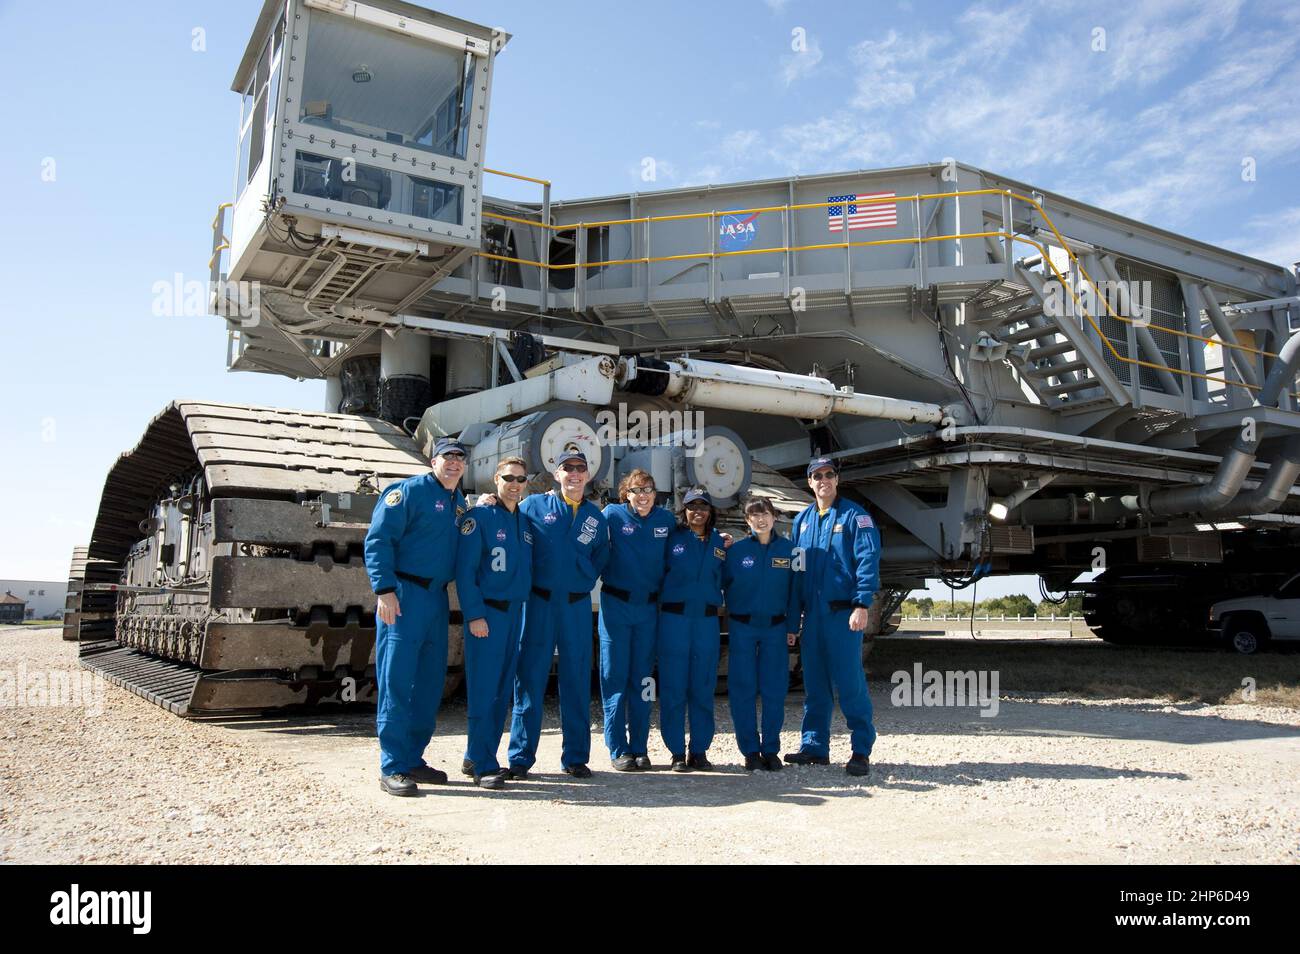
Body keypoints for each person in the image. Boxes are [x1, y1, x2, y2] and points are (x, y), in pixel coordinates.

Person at [364, 437, 469, 797]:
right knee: (397, 680)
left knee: (428, 683)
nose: (453, 463)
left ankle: (412, 758)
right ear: (432, 460)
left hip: (436, 599)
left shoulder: (460, 503)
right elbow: (378, 540)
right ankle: (392, 765)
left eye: (459, 458)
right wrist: (384, 590)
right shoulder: (405, 492)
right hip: (403, 596)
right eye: (447, 457)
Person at [508, 451, 610, 778]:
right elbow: (508, 526)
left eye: (581, 469)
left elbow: (600, 558)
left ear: (588, 475)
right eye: (569, 468)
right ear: (557, 473)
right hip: (539, 604)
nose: (575, 474)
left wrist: (580, 576)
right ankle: (521, 758)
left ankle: (576, 757)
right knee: (530, 678)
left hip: (576, 606)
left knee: (578, 679)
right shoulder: (532, 507)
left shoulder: (596, 517)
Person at [785, 456, 880, 777]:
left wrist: (862, 604)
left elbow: (867, 559)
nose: (823, 480)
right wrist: (794, 617)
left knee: (850, 684)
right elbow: (797, 573)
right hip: (812, 618)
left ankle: (860, 750)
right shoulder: (802, 522)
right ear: (809, 483)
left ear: (836, 479)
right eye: (817, 476)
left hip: (844, 615)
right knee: (815, 685)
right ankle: (814, 747)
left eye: (829, 474)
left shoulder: (856, 516)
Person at [454, 457, 533, 790]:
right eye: (508, 478)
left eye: (520, 479)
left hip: (515, 613)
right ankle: (483, 766)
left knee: (501, 692)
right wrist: (474, 615)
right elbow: (465, 571)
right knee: (485, 690)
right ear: (495, 479)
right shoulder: (479, 518)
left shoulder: (524, 522)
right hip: (487, 615)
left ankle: (477, 754)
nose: (514, 484)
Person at [599, 468, 675, 771]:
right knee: (614, 677)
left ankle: (640, 746)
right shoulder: (611, 515)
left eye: (647, 490)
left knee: (643, 680)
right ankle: (618, 748)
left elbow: (687, 546)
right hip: (616, 606)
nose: (642, 496)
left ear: (655, 494)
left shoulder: (666, 521)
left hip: (647, 611)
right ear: (625, 494)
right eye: (635, 490)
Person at [722, 497, 800, 772]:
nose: (760, 519)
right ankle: (750, 751)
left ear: (774, 516)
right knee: (742, 689)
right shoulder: (735, 551)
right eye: (753, 515)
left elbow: (795, 592)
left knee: (774, 690)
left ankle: (770, 749)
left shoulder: (790, 551)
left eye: (764, 513)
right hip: (742, 627)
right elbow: (718, 583)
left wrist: (792, 627)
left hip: (776, 629)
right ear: (747, 521)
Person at [658, 488, 727, 772]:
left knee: (702, 687)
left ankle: (699, 750)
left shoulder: (720, 544)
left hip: (707, 624)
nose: (697, 511)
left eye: (703, 506)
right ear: (683, 511)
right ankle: (676, 752)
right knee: (674, 688)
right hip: (674, 621)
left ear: (711, 511)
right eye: (691, 506)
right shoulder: (671, 539)